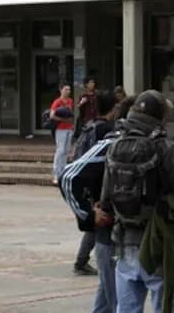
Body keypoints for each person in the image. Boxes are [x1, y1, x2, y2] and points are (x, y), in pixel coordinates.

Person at [103, 90, 174, 312]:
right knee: (164, 305)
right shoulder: (166, 147)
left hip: (124, 240)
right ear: (160, 116)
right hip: (158, 242)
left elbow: (106, 199)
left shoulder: (115, 145)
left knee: (127, 307)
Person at [73, 92, 121, 278]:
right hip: (102, 184)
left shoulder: (89, 127)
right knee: (100, 224)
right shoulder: (109, 131)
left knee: (97, 224)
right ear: (113, 109)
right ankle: (82, 261)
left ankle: (83, 260)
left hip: (87, 183)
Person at [50, 84, 75, 184]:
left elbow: (71, 114)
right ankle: (56, 174)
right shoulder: (57, 102)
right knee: (60, 151)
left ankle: (63, 173)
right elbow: (52, 115)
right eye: (66, 89)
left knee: (66, 151)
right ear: (61, 90)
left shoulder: (70, 101)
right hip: (60, 129)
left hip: (69, 128)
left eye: (69, 89)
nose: (68, 91)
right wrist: (62, 119)